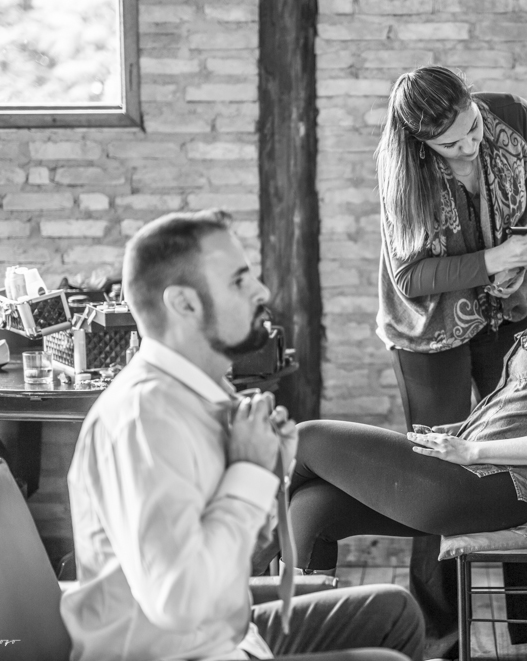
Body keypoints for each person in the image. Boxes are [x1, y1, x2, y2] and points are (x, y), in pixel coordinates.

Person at [289, 167, 527, 648]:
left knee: (305, 438)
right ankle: (296, 644)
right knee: (312, 510)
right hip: (475, 471)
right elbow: (519, 410)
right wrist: (455, 434)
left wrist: (471, 452)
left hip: (496, 486)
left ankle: (234, 595)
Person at [60, 210, 423, 661]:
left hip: (231, 634)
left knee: (393, 613)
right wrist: (248, 472)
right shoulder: (146, 419)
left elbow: (232, 563)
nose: (262, 292)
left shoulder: (205, 394)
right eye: (238, 281)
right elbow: (178, 604)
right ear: (184, 304)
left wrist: (269, 474)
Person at [374, 65, 527, 656]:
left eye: (472, 126)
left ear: (474, 100)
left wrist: (522, 252)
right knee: (439, 475)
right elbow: (410, 275)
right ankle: (438, 636)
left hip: (507, 312)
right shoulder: (401, 170)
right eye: (451, 144)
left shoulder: (515, 120)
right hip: (428, 333)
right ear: (421, 143)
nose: (470, 145)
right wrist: (494, 258)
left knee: (522, 456)